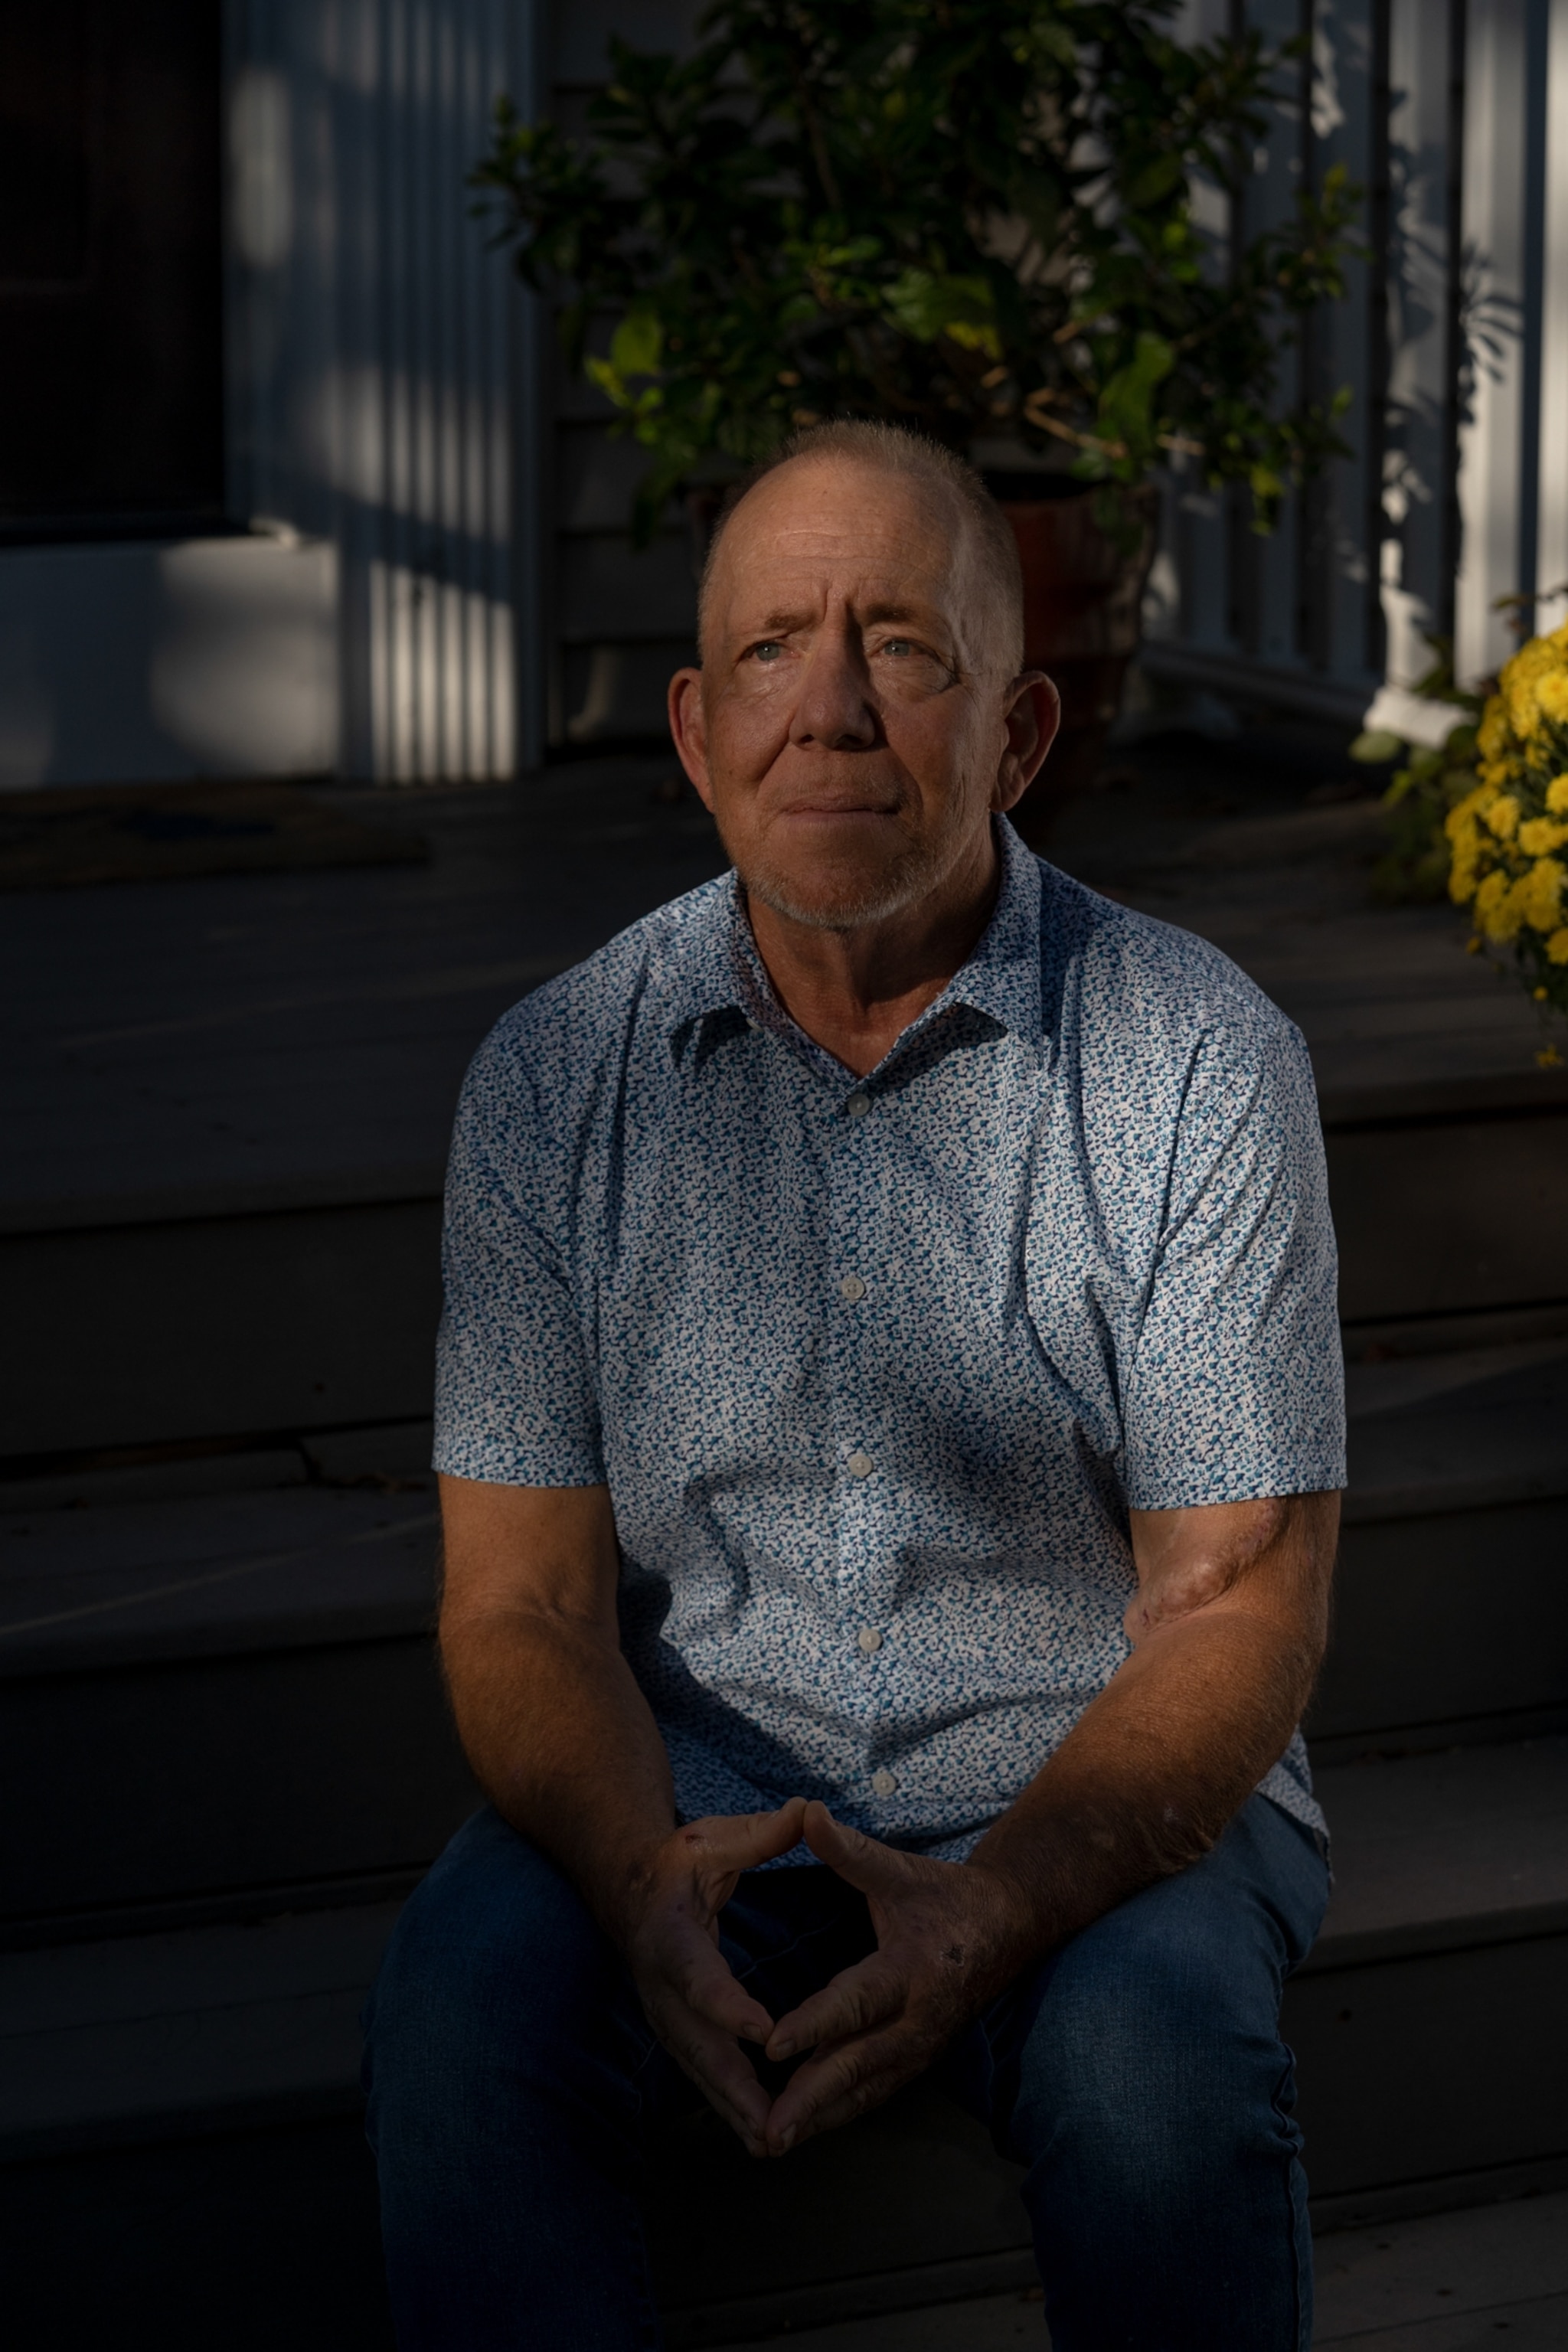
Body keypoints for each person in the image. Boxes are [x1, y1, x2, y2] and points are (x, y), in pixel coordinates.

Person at [363, 421, 1344, 2351]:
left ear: (1020, 731)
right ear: (692, 733)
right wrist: (636, 1880)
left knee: (1155, 2075)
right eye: (767, 652)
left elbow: (1233, 1607)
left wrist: (997, 1909)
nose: (825, 711)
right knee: (461, 2016)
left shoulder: (1195, 1061)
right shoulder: (556, 1080)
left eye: (899, 644)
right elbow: (522, 1603)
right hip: (694, 1804)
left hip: (1099, 1788)